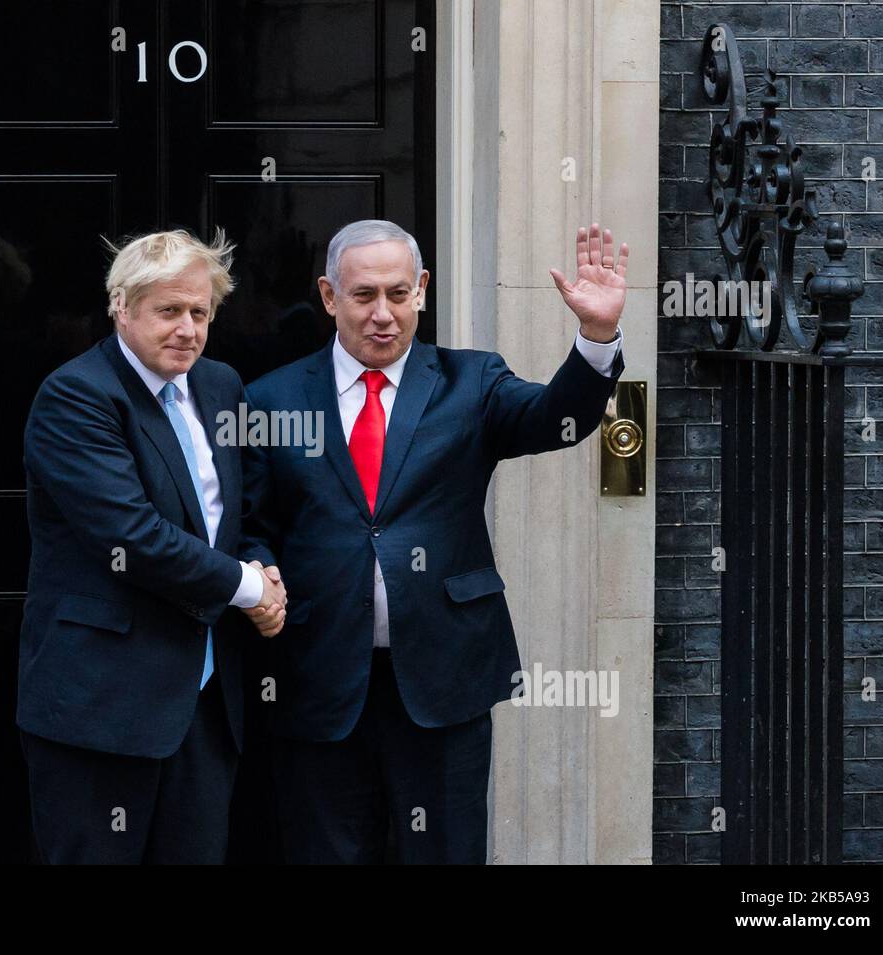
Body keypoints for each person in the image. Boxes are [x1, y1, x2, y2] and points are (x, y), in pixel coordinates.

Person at [240, 219, 628, 863]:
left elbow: (554, 422)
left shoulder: (470, 383)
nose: (384, 314)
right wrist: (259, 572)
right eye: (363, 296)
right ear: (329, 296)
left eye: (399, 293)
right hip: (317, 676)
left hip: (444, 675)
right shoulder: (270, 398)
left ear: (422, 289)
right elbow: (253, 525)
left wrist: (595, 337)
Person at [17, 228, 286, 864]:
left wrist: (265, 566)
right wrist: (249, 589)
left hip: (205, 700)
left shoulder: (221, 385)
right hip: (101, 704)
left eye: (200, 312)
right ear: (122, 307)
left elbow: (245, 513)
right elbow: (131, 537)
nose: (187, 329)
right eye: (168, 311)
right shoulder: (77, 395)